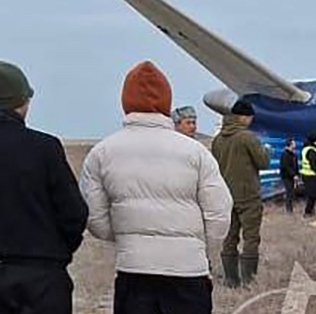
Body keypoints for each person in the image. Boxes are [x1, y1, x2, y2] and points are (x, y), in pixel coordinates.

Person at [79, 61, 232, 314]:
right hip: (188, 272)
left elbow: (95, 219)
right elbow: (220, 212)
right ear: (167, 102)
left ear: (125, 101)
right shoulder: (195, 152)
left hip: (134, 271)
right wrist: (197, 246)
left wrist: (129, 237)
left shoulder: (102, 153)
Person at [0, 61, 89, 314]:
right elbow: (74, 212)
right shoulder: (45, 147)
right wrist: (60, 250)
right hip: (44, 272)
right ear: (22, 100)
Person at [211, 100, 270, 287]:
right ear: (243, 117)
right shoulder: (247, 137)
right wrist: (266, 151)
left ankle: (231, 279)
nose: (251, 121)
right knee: (251, 237)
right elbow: (263, 162)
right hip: (248, 196)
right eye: (251, 118)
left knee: (230, 237)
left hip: (226, 196)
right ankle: (248, 280)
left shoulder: (218, 139)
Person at [300, 135, 316, 218]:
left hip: (307, 175)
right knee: (313, 194)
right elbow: (313, 164)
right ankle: (308, 212)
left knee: (312, 194)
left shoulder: (306, 149)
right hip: (311, 176)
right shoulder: (312, 150)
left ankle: (310, 210)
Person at [280, 137, 299, 214]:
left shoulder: (293, 154)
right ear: (290, 144)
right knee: (289, 191)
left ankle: (290, 207)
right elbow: (286, 166)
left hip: (292, 176)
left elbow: (295, 165)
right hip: (286, 176)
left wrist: (297, 174)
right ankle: (289, 209)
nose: (295, 144)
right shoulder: (285, 154)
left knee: (291, 191)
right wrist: (293, 174)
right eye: (293, 143)